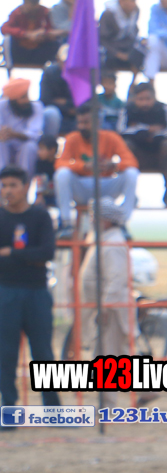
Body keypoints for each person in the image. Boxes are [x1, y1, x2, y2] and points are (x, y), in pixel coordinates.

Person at [0, 165, 62, 419]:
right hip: (6, 292)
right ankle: (9, 409)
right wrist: (28, 257)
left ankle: (54, 411)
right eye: (4, 185)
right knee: (5, 354)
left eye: (13, 185)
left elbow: (47, 252)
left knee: (44, 353)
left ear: (26, 187)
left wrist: (11, 253)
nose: (7, 190)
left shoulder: (40, 216)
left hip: (37, 292)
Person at [79, 198, 135, 405]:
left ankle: (107, 404)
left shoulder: (113, 244)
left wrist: (106, 307)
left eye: (95, 216)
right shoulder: (102, 240)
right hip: (104, 306)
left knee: (107, 358)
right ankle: (145, 391)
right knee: (119, 354)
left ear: (107, 220)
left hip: (111, 309)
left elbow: (117, 278)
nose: (92, 220)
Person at [54, 102, 140, 228]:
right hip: (82, 186)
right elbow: (59, 163)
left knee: (132, 173)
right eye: (80, 123)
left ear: (97, 122)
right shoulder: (72, 138)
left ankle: (123, 221)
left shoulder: (111, 137)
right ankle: (65, 222)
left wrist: (114, 165)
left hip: (106, 186)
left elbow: (132, 162)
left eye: (86, 122)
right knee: (62, 174)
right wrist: (84, 166)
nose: (82, 126)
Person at [118, 83, 167, 207]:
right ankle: (130, 195)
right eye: (140, 99)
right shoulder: (127, 110)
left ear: (154, 97)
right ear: (134, 99)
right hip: (137, 156)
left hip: (159, 155)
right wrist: (144, 131)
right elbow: (121, 131)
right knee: (126, 145)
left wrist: (156, 136)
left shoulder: (163, 109)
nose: (144, 103)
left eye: (148, 99)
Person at [3, 0, 59, 67]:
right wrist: (25, 34)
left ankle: (53, 67)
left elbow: (52, 29)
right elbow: (5, 28)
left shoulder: (45, 12)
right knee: (7, 39)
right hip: (21, 50)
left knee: (55, 42)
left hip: (39, 50)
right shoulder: (17, 13)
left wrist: (43, 34)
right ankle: (9, 66)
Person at [98, 0, 144, 74]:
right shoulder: (109, 14)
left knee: (142, 52)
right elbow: (102, 39)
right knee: (103, 58)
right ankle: (108, 81)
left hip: (127, 47)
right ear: (121, 0)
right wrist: (118, 54)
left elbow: (133, 32)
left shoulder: (135, 11)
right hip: (111, 50)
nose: (134, 4)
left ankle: (134, 81)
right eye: (132, 0)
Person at [0, 79, 44, 173]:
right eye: (23, 97)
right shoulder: (2, 106)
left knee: (30, 146)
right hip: (7, 146)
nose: (27, 100)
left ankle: (24, 180)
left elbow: (34, 135)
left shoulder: (36, 106)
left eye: (27, 95)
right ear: (13, 101)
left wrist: (14, 134)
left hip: (24, 145)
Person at [40, 45, 75, 138]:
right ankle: (49, 144)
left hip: (77, 114)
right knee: (51, 113)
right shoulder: (49, 73)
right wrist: (68, 108)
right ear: (58, 60)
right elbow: (45, 100)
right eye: (65, 61)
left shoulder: (82, 73)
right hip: (58, 113)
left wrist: (66, 102)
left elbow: (85, 100)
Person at [33, 135, 58, 213]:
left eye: (42, 149)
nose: (38, 152)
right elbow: (39, 181)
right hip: (44, 195)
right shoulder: (39, 163)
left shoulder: (58, 164)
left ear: (52, 150)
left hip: (57, 195)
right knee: (37, 207)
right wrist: (40, 196)